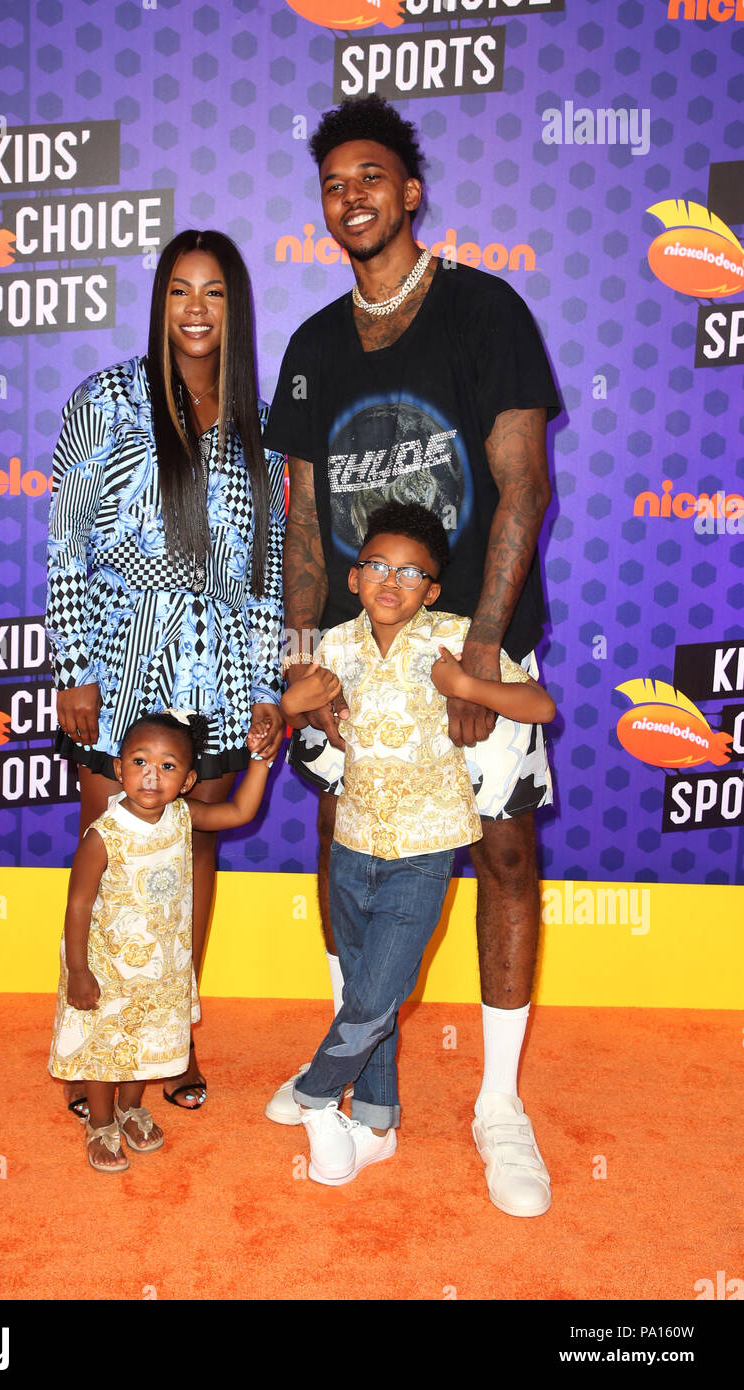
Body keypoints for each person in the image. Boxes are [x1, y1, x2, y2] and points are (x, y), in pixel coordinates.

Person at [263, 96, 561, 1217]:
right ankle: (360, 1094)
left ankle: (496, 1103)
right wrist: (303, 668)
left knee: (505, 858)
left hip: (473, 654)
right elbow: (298, 525)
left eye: (372, 176)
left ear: (411, 189)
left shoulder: (485, 310)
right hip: (353, 665)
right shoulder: (309, 347)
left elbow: (523, 482)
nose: (353, 197)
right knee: (351, 857)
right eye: (334, 182)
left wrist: (481, 655)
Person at [46, 231, 285, 1116]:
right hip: (119, 658)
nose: (194, 309)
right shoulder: (106, 398)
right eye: (179, 290)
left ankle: (169, 1040)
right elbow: (69, 542)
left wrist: (264, 686)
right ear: (159, 303)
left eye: (214, 292)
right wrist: (74, 668)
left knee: (188, 865)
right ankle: (96, 1046)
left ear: (235, 307)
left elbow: (264, 575)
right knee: (110, 866)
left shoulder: (257, 421)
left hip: (218, 671)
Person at [280, 504, 555, 1193]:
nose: (392, 581)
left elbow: (540, 707)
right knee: (369, 987)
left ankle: (315, 1094)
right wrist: (293, 701)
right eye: (377, 566)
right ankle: (374, 1125)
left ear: (433, 589)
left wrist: (466, 686)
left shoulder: (456, 640)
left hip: (425, 852)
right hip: (352, 847)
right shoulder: (334, 645)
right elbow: (287, 701)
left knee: (381, 991)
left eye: (412, 572)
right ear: (354, 576)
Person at [49, 711, 273, 1171]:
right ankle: (102, 1121)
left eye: (168, 766)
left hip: (161, 966)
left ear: (189, 780)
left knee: (147, 1042)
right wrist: (78, 970)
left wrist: (259, 761)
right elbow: (77, 907)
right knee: (106, 1046)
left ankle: (131, 1107)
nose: (151, 775)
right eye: (139, 761)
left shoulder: (183, 818)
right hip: (106, 968)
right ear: (118, 769)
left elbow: (239, 812)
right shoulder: (103, 836)